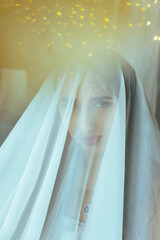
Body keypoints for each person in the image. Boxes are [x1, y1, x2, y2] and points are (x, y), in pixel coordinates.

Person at [0, 50, 159, 240]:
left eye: (102, 104)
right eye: (71, 105)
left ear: (129, 105)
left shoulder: (153, 187)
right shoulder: (47, 172)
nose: (85, 126)